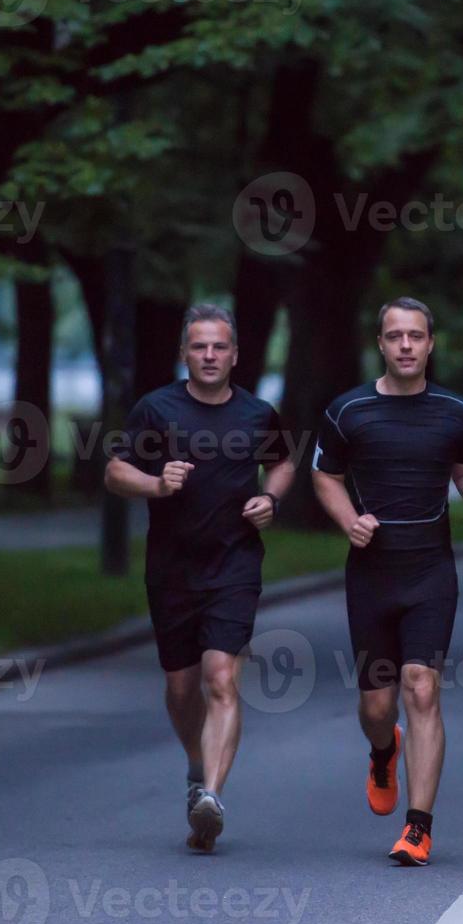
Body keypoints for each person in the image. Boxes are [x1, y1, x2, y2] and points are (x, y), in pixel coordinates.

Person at [313, 297, 463, 867]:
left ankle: (418, 827)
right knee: (378, 705)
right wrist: (350, 522)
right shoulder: (348, 410)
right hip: (372, 573)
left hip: (430, 571)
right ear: (381, 343)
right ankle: (383, 751)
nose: (405, 345)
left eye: (416, 336)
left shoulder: (456, 410)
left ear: (430, 344)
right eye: (395, 336)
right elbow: (324, 475)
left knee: (422, 688)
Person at [104, 303, 297, 853]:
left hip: (235, 563)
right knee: (181, 687)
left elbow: (283, 462)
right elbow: (115, 472)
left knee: (221, 679)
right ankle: (197, 765)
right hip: (171, 566)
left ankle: (211, 796)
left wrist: (270, 497)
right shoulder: (156, 409)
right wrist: (157, 484)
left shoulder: (258, 413)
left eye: (219, 347)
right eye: (199, 347)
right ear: (185, 353)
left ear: (235, 354)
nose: (209, 356)